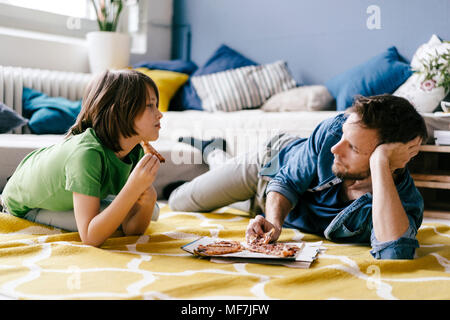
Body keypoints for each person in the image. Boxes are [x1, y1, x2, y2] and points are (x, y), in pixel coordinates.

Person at [168, 94, 428, 259]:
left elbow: (396, 253)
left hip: (272, 207)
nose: (335, 148)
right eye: (342, 138)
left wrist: (380, 161)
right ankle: (214, 151)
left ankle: (219, 159)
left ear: (393, 159)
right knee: (179, 202)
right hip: (268, 170)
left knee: (236, 203)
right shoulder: (332, 133)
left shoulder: (404, 203)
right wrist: (274, 224)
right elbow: (286, 182)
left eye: (354, 148)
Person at [0, 69, 163, 247]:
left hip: (66, 196)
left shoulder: (134, 151)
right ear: (119, 112)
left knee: (151, 208)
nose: (160, 114)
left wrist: (148, 196)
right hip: (25, 207)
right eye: (150, 105)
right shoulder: (87, 155)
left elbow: (133, 230)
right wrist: (133, 188)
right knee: (119, 215)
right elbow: (91, 237)